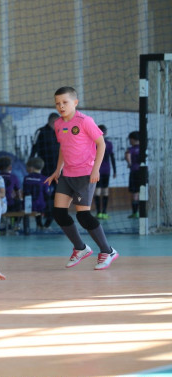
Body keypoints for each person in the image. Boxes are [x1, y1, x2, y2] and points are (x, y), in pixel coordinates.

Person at [46, 86, 119, 270]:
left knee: (83, 216)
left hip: (85, 174)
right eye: (57, 103)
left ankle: (108, 251)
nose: (61, 106)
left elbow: (101, 144)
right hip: (67, 174)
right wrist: (57, 170)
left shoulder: (85, 121)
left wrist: (96, 170)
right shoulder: (58, 124)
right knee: (59, 213)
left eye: (65, 102)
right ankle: (80, 248)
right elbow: (63, 147)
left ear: (75, 103)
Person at [23, 157, 51, 230]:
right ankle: (45, 225)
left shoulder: (26, 178)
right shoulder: (45, 179)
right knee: (52, 205)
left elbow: (25, 191)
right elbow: (46, 193)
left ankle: (38, 224)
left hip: (27, 206)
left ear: (31, 168)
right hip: (41, 206)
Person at [95, 124, 116, 219]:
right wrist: (115, 171)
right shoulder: (109, 144)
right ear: (106, 133)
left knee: (97, 191)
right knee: (105, 191)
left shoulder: (93, 143)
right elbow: (112, 158)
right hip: (106, 170)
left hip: (96, 170)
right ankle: (104, 212)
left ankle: (98, 212)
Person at [30, 112, 60, 177]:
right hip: (45, 167)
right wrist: (30, 163)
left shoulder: (61, 131)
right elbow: (34, 149)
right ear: (52, 122)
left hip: (58, 167)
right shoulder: (40, 132)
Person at [125, 131, 140, 219]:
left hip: (134, 172)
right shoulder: (143, 148)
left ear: (133, 139)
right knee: (142, 192)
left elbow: (127, 156)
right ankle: (142, 212)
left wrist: (129, 163)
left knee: (134, 193)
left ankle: (135, 213)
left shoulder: (131, 149)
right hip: (143, 172)